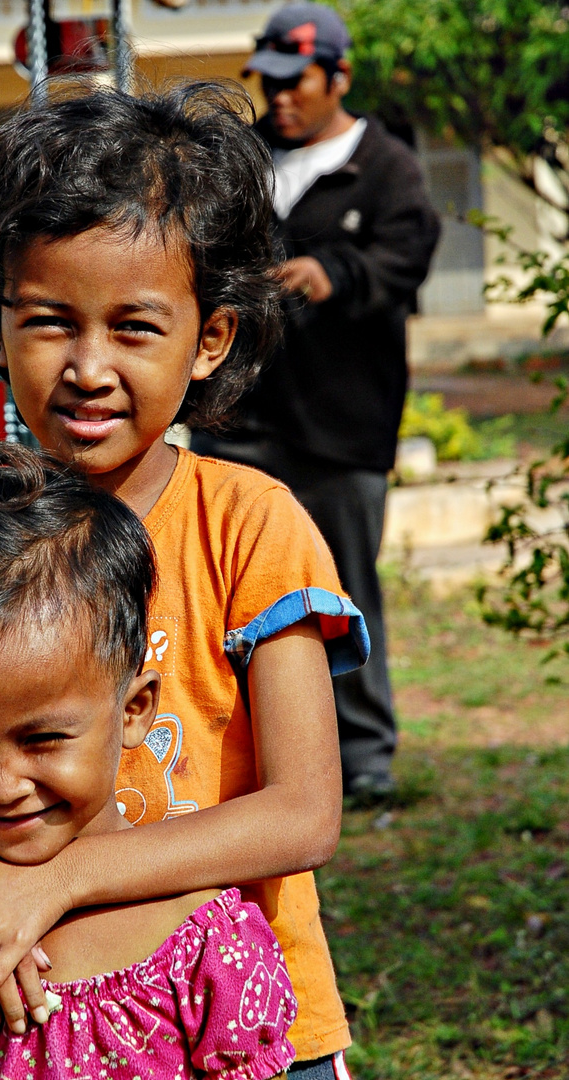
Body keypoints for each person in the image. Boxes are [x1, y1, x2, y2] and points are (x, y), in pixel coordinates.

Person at [0, 81, 369, 1078]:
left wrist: (57, 882)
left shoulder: (248, 527)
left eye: (133, 326)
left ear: (210, 338)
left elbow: (306, 814)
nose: (88, 366)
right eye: (49, 321)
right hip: (4, 1035)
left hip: (246, 1032)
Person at [0, 441, 299, 1080]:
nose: (2, 785)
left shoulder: (210, 951)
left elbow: (307, 812)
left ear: (136, 710)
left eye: (43, 740)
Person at [193, 3, 441, 802]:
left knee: (344, 594)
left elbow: (406, 257)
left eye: (294, 82)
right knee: (233, 599)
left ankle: (365, 756)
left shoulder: (389, 167)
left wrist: (332, 273)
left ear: (339, 76)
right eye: (266, 84)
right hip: (241, 423)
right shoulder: (248, 160)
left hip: (344, 428)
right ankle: (242, 761)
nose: (280, 99)